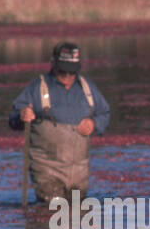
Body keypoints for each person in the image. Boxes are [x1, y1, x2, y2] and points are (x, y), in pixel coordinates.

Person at [8, 42, 111, 205]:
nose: (68, 77)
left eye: (72, 72)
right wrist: (22, 115)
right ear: (53, 63)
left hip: (79, 172)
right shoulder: (37, 88)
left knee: (78, 215)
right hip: (47, 171)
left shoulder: (87, 89)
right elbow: (13, 119)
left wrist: (94, 123)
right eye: (64, 71)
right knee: (51, 212)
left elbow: (104, 113)